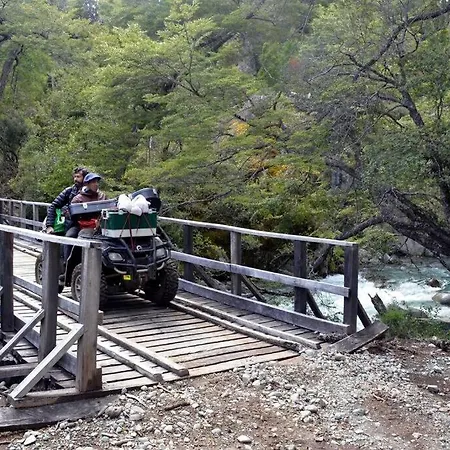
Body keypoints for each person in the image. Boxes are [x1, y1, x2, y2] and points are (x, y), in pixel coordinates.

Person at [45, 167, 89, 235]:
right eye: (74, 177)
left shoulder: (92, 191)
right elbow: (53, 206)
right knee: (70, 236)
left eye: (78, 177)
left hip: (89, 223)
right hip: (72, 224)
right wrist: (49, 225)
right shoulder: (69, 191)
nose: (75, 179)